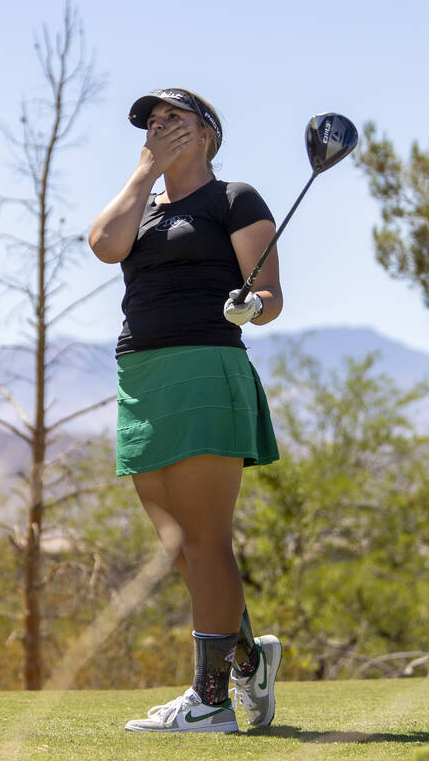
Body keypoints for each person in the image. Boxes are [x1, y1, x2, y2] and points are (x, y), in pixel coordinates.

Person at [88, 87, 283, 733]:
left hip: (205, 366)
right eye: (151, 121)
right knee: (180, 547)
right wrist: (144, 172)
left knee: (205, 541)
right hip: (142, 374)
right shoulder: (141, 205)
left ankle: (212, 699)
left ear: (207, 132)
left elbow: (272, 294)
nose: (159, 125)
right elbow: (103, 244)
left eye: (174, 118)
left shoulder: (234, 200)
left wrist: (249, 306)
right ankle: (248, 659)